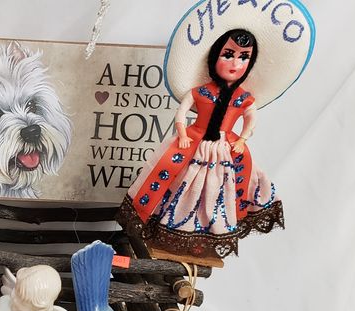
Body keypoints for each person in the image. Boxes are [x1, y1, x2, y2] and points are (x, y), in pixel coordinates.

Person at [119, 29, 280, 259]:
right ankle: (172, 227)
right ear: (214, 57)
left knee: (217, 189)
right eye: (228, 55)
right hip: (194, 142)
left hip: (224, 149)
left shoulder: (243, 98)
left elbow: (251, 118)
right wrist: (182, 134)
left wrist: (243, 139)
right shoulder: (200, 92)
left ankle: (205, 232)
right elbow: (181, 113)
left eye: (244, 57)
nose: (235, 63)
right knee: (180, 183)